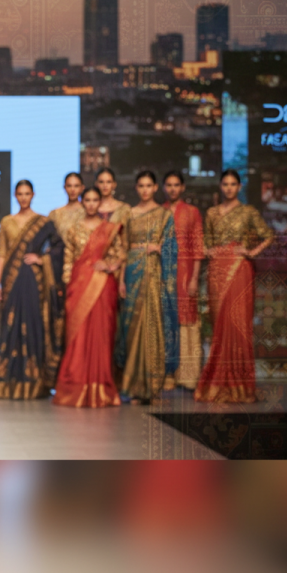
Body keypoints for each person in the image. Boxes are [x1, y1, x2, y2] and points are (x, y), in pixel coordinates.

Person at [195, 169, 273, 404]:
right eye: (225, 184)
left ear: (239, 187)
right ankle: (218, 381)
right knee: (219, 326)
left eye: (233, 184)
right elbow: (206, 242)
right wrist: (209, 250)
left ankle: (239, 385)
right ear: (220, 186)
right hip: (217, 271)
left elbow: (268, 236)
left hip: (239, 270)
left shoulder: (248, 212)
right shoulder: (210, 213)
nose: (229, 188)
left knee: (238, 326)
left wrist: (250, 252)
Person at [0, 180, 64, 399]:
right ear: (14, 195)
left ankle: (35, 383)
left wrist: (42, 259)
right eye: (19, 193)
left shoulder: (43, 222)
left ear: (33, 195)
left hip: (33, 280)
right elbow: (2, 253)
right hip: (11, 281)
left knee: (32, 326)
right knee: (11, 326)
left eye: (27, 193)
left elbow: (59, 248)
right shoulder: (7, 221)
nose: (23, 197)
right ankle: (8, 382)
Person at [53, 186, 123, 408]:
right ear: (83, 202)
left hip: (102, 286)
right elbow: (68, 260)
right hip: (78, 286)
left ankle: (100, 385)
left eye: (95, 200)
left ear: (99, 203)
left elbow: (120, 255)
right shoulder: (74, 230)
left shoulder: (109, 229)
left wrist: (110, 265)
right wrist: (67, 286)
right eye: (88, 200)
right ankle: (76, 383)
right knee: (78, 335)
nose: (92, 204)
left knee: (100, 335)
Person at [115, 171, 178, 403]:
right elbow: (123, 248)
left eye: (149, 185)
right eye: (141, 185)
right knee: (131, 327)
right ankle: (132, 386)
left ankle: (152, 386)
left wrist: (159, 249)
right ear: (136, 188)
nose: (144, 190)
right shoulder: (128, 214)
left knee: (152, 326)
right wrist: (121, 279)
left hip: (153, 273)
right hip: (132, 271)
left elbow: (172, 248)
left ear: (154, 188)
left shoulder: (164, 215)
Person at [163, 171, 205, 390]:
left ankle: (187, 376)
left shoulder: (192, 212)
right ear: (163, 187)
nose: (172, 189)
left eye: (176, 185)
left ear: (183, 187)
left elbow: (198, 247)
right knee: (166, 321)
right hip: (163, 274)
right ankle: (166, 376)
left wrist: (195, 278)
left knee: (186, 320)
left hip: (186, 272)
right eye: (168, 185)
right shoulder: (158, 212)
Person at [48, 172, 84, 246]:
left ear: (82, 188)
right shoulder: (55, 214)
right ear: (64, 187)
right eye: (69, 186)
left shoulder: (87, 212)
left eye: (76, 186)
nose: (72, 189)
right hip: (59, 255)